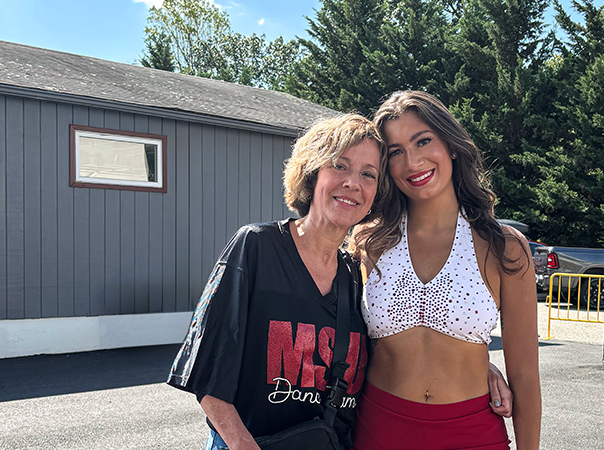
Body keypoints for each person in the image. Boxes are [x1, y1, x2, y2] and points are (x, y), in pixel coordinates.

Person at [167, 113, 387, 450]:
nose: (353, 183)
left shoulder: (359, 275)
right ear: (312, 173)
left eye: (368, 174)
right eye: (339, 166)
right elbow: (208, 369)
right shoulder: (256, 247)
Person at [351, 91, 541, 450]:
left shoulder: (504, 247)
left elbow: (526, 375)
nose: (413, 162)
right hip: (379, 430)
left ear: (451, 145)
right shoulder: (369, 241)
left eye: (423, 141)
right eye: (396, 152)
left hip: (473, 434)